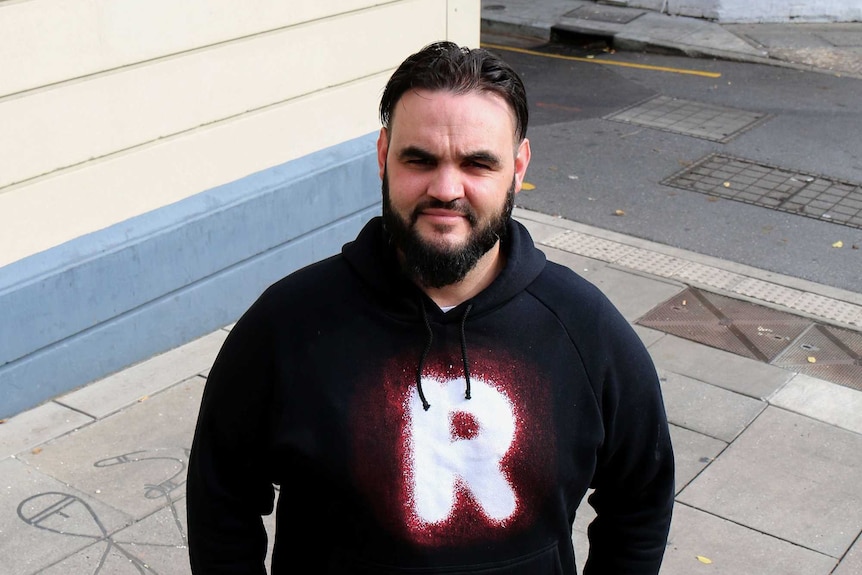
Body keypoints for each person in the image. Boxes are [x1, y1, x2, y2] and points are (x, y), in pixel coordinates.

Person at [187, 41, 674, 574]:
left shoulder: (587, 330)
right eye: (419, 159)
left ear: (518, 166)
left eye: (477, 163)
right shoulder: (287, 324)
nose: (446, 189)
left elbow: (640, 500)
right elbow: (222, 498)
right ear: (382, 156)